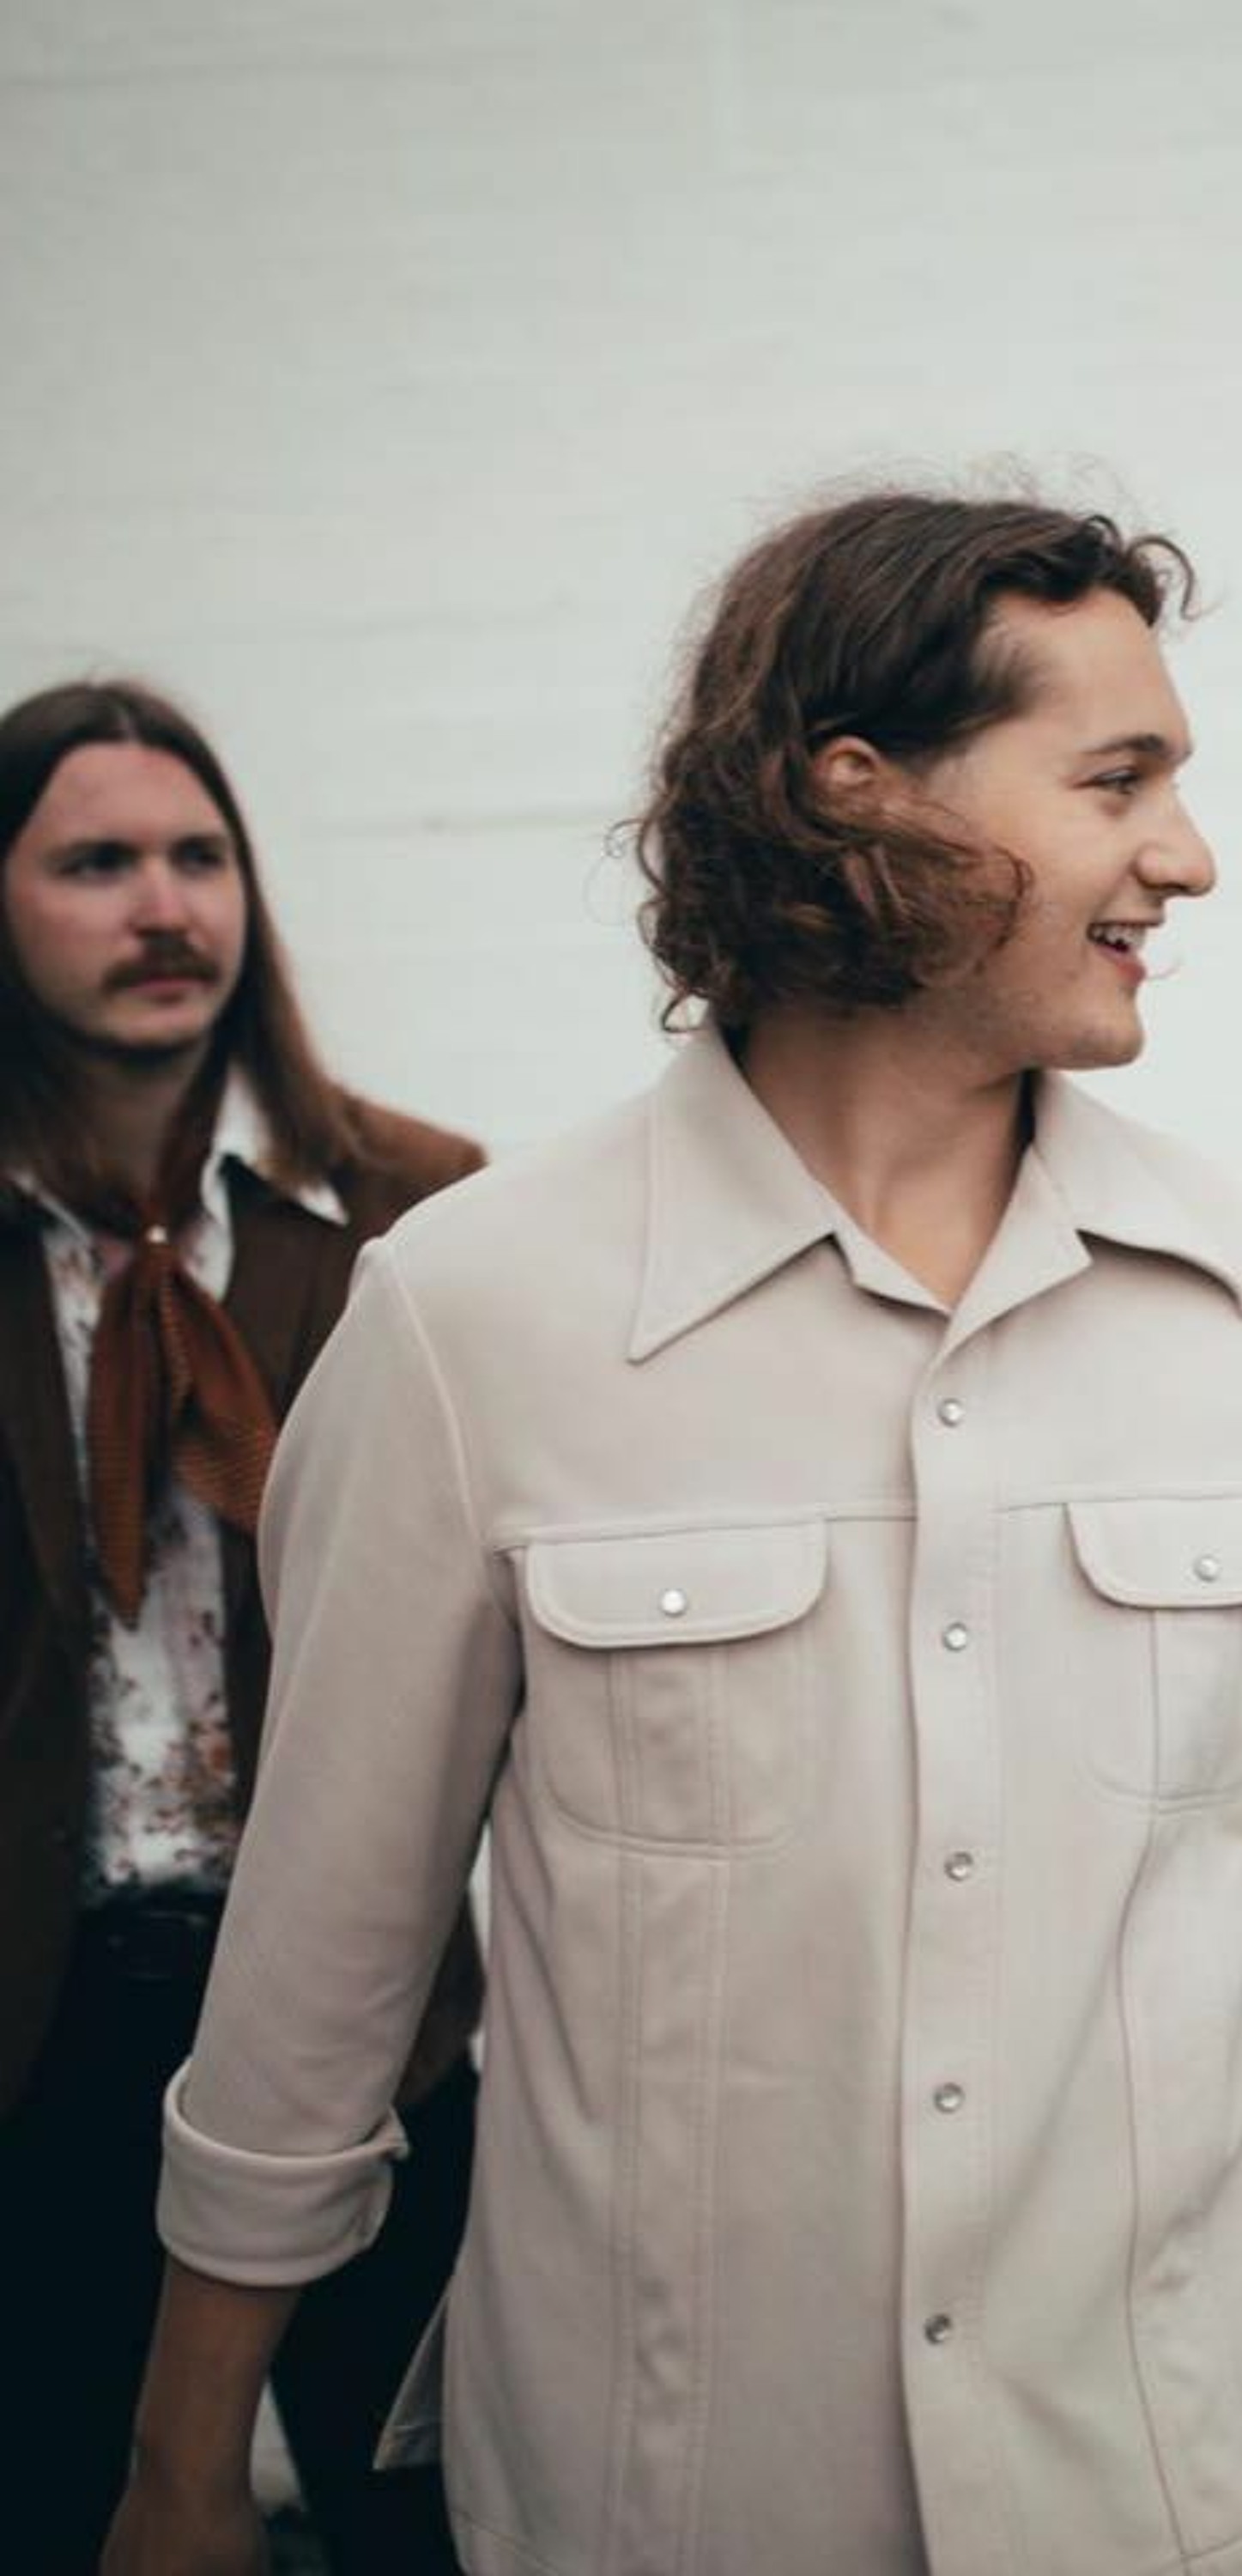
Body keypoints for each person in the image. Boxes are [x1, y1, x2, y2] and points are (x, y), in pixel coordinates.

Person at [103, 492, 1242, 2576]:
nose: (1185, 857)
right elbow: (322, 1969)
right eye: (1116, 782)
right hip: (673, 2505)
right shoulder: (472, 1318)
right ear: (857, 794)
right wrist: (183, 2471)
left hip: (1203, 2491)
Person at [0, 679, 480, 2574]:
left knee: (428, 2515)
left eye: (200, 858)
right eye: (94, 864)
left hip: (372, 2018)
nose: (163, 908)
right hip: (38, 2017)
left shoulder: (409, 1212)